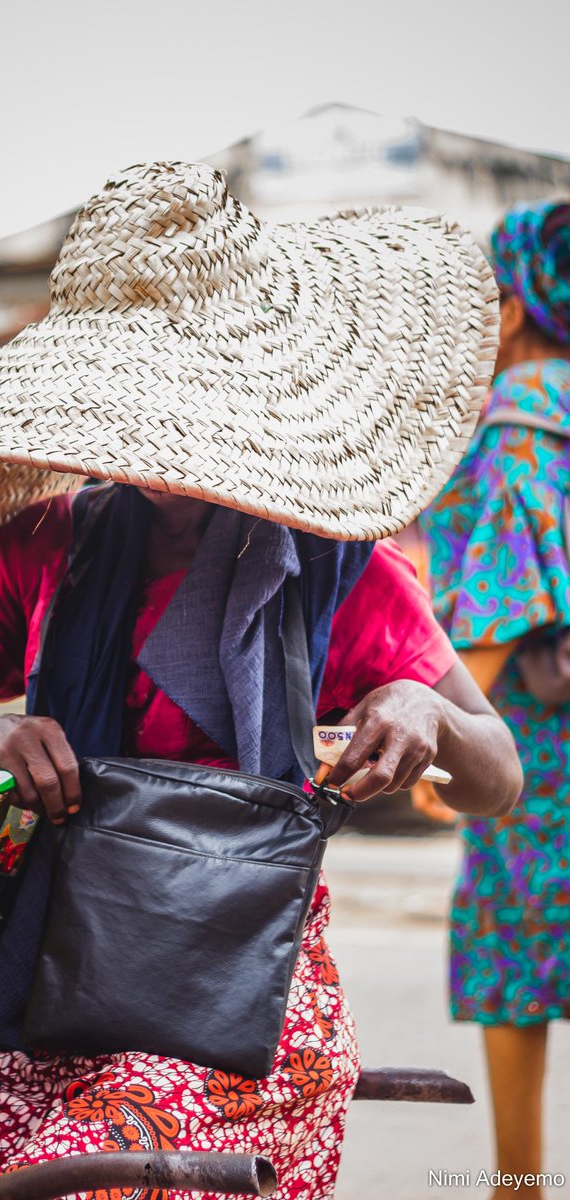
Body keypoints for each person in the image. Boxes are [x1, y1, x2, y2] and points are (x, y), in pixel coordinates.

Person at [0, 162, 522, 1200]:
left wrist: (425, 710)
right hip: (63, 974)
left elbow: (495, 778)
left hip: (256, 994)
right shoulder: (47, 544)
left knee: (114, 1149)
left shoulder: (340, 569)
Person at [418, 201, 569, 1200]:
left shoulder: (517, 419)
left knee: (520, 962)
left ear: (509, 305)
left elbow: (497, 606)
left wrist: (445, 738)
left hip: (535, 744)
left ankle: (514, 1185)